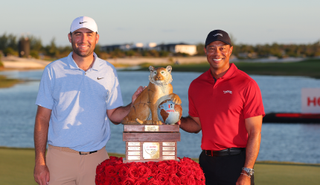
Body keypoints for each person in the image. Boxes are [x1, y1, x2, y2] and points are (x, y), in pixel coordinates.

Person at [33, 16, 143, 185]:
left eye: (89, 34)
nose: (83, 39)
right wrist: (40, 161)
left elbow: (114, 115)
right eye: (78, 34)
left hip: (97, 159)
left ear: (96, 38)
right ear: (70, 38)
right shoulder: (53, 70)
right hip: (60, 159)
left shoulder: (108, 70)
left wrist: (133, 105)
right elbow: (42, 118)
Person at [179, 30, 265, 185]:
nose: (217, 53)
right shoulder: (196, 85)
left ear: (230, 50)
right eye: (212, 48)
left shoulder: (247, 84)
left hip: (236, 163)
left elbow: (255, 132)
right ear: (205, 51)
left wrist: (247, 171)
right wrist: (174, 120)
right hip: (206, 163)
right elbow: (196, 124)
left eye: (222, 48)